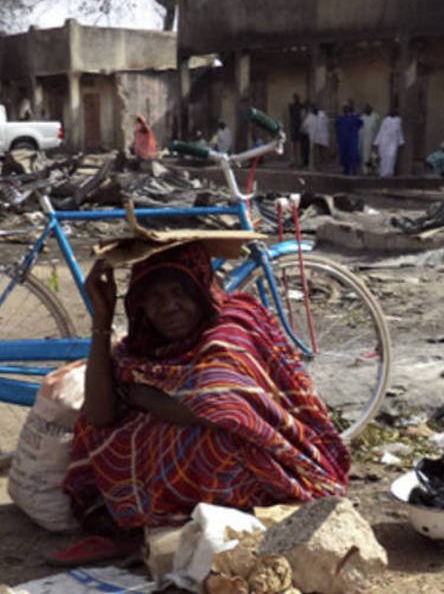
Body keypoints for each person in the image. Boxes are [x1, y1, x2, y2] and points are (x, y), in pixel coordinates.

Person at [55, 242, 350, 564]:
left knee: (215, 442)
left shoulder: (232, 327)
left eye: (179, 292)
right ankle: (152, 525)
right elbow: (98, 415)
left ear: (200, 291)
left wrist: (147, 399)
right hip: (168, 482)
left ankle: (204, 526)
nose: (169, 307)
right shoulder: (142, 345)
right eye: (154, 297)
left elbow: (227, 411)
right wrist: (102, 318)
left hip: (266, 458)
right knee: (107, 428)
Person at [373, 109, 404, 177]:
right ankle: (382, 173)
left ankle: (389, 173)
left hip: (393, 142)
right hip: (384, 142)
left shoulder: (398, 121)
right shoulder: (385, 120)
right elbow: (381, 131)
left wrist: (401, 142)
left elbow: (399, 132)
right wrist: (376, 142)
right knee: (383, 158)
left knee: (391, 157)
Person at [334, 104, 363, 176]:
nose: (345, 110)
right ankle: (345, 170)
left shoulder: (354, 117)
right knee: (344, 155)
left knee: (353, 154)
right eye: (344, 108)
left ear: (349, 109)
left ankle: (354, 169)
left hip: (352, 140)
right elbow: (336, 127)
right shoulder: (340, 118)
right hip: (343, 140)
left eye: (347, 108)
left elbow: (360, 124)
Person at [303, 105, 329, 170]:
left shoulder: (323, 116)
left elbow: (326, 124)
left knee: (322, 152)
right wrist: (308, 131)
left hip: (322, 136)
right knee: (314, 153)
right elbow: (304, 126)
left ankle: (323, 166)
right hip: (313, 137)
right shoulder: (310, 117)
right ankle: (313, 166)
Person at [288, 94, 308, 166]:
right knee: (294, 145)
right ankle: (293, 161)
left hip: (298, 127)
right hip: (294, 127)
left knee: (298, 145)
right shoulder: (292, 106)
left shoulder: (299, 106)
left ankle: (298, 161)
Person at [359, 104, 380, 172]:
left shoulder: (376, 117)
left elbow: (379, 128)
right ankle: (366, 170)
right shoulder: (362, 118)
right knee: (366, 155)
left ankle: (374, 170)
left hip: (374, 139)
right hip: (365, 140)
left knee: (374, 155)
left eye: (368, 108)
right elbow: (360, 130)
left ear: (371, 109)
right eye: (365, 109)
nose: (366, 110)